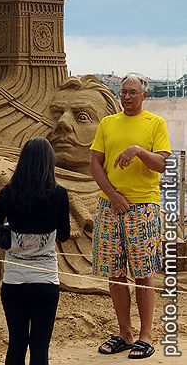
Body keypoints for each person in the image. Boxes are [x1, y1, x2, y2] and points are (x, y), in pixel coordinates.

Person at [90, 72, 171, 359]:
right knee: (114, 272)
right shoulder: (107, 123)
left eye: (132, 92)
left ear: (143, 95)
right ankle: (125, 332)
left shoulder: (155, 124)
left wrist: (138, 151)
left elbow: (161, 164)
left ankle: (146, 335)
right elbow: (95, 162)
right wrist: (112, 195)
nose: (126, 97)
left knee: (143, 273)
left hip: (143, 208)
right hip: (110, 206)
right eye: (123, 92)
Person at [0, 136, 70, 365]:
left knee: (17, 343)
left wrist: (8, 234)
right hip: (45, 280)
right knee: (40, 346)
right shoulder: (59, 194)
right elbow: (63, 235)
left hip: (14, 280)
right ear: (49, 163)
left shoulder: (8, 193)